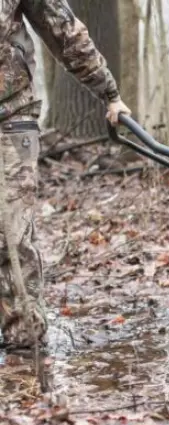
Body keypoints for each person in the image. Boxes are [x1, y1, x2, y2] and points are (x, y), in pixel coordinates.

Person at [0, 1, 131, 359]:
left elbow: (63, 28)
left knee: (9, 232)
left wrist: (109, 92)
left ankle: (25, 345)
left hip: (10, 117)